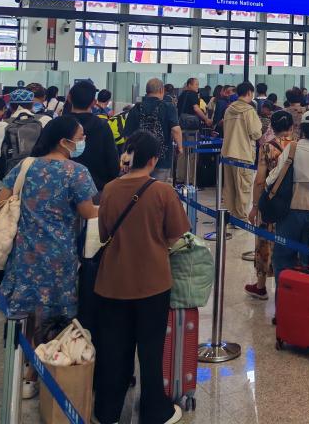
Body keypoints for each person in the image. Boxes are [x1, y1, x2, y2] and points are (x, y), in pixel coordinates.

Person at [0, 116, 98, 399]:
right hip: (59, 255)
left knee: (27, 313)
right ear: (64, 141)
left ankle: (23, 366)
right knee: (54, 315)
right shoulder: (76, 172)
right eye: (80, 136)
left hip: (25, 251)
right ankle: (41, 369)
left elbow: (2, 199)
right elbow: (87, 212)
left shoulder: (26, 165)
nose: (83, 141)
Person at [93, 131, 190, 424]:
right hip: (152, 282)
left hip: (112, 281)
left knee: (113, 349)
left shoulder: (109, 189)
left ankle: (107, 411)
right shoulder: (162, 192)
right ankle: (154, 410)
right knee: (150, 349)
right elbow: (177, 234)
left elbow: (103, 233)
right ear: (153, 160)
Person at [268, 110, 309, 285]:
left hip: (289, 211)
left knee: (283, 258)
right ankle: (308, 296)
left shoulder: (292, 149)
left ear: (301, 129)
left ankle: (284, 295)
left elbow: (271, 179)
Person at [245, 110, 296, 300]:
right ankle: (289, 286)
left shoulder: (267, 147)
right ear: (292, 127)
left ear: (272, 128)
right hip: (291, 203)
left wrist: (255, 206)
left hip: (271, 202)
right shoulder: (298, 146)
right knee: (288, 243)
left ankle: (260, 286)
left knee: (264, 242)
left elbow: (260, 179)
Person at [123, 78, 182, 181]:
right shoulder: (168, 107)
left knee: (139, 186)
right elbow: (175, 130)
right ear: (161, 90)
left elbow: (128, 136)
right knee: (158, 187)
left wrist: (127, 159)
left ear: (147, 91)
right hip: (162, 159)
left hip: (139, 160)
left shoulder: (136, 108)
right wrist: (180, 147)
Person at [67, 80, 120, 192]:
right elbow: (112, 160)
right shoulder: (102, 126)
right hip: (96, 188)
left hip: (63, 188)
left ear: (69, 98)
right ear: (93, 102)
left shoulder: (57, 124)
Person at [221, 81, 263, 221]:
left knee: (230, 188)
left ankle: (231, 217)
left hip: (227, 154)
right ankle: (241, 220)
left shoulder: (229, 109)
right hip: (243, 154)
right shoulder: (249, 111)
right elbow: (256, 133)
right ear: (250, 93)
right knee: (243, 189)